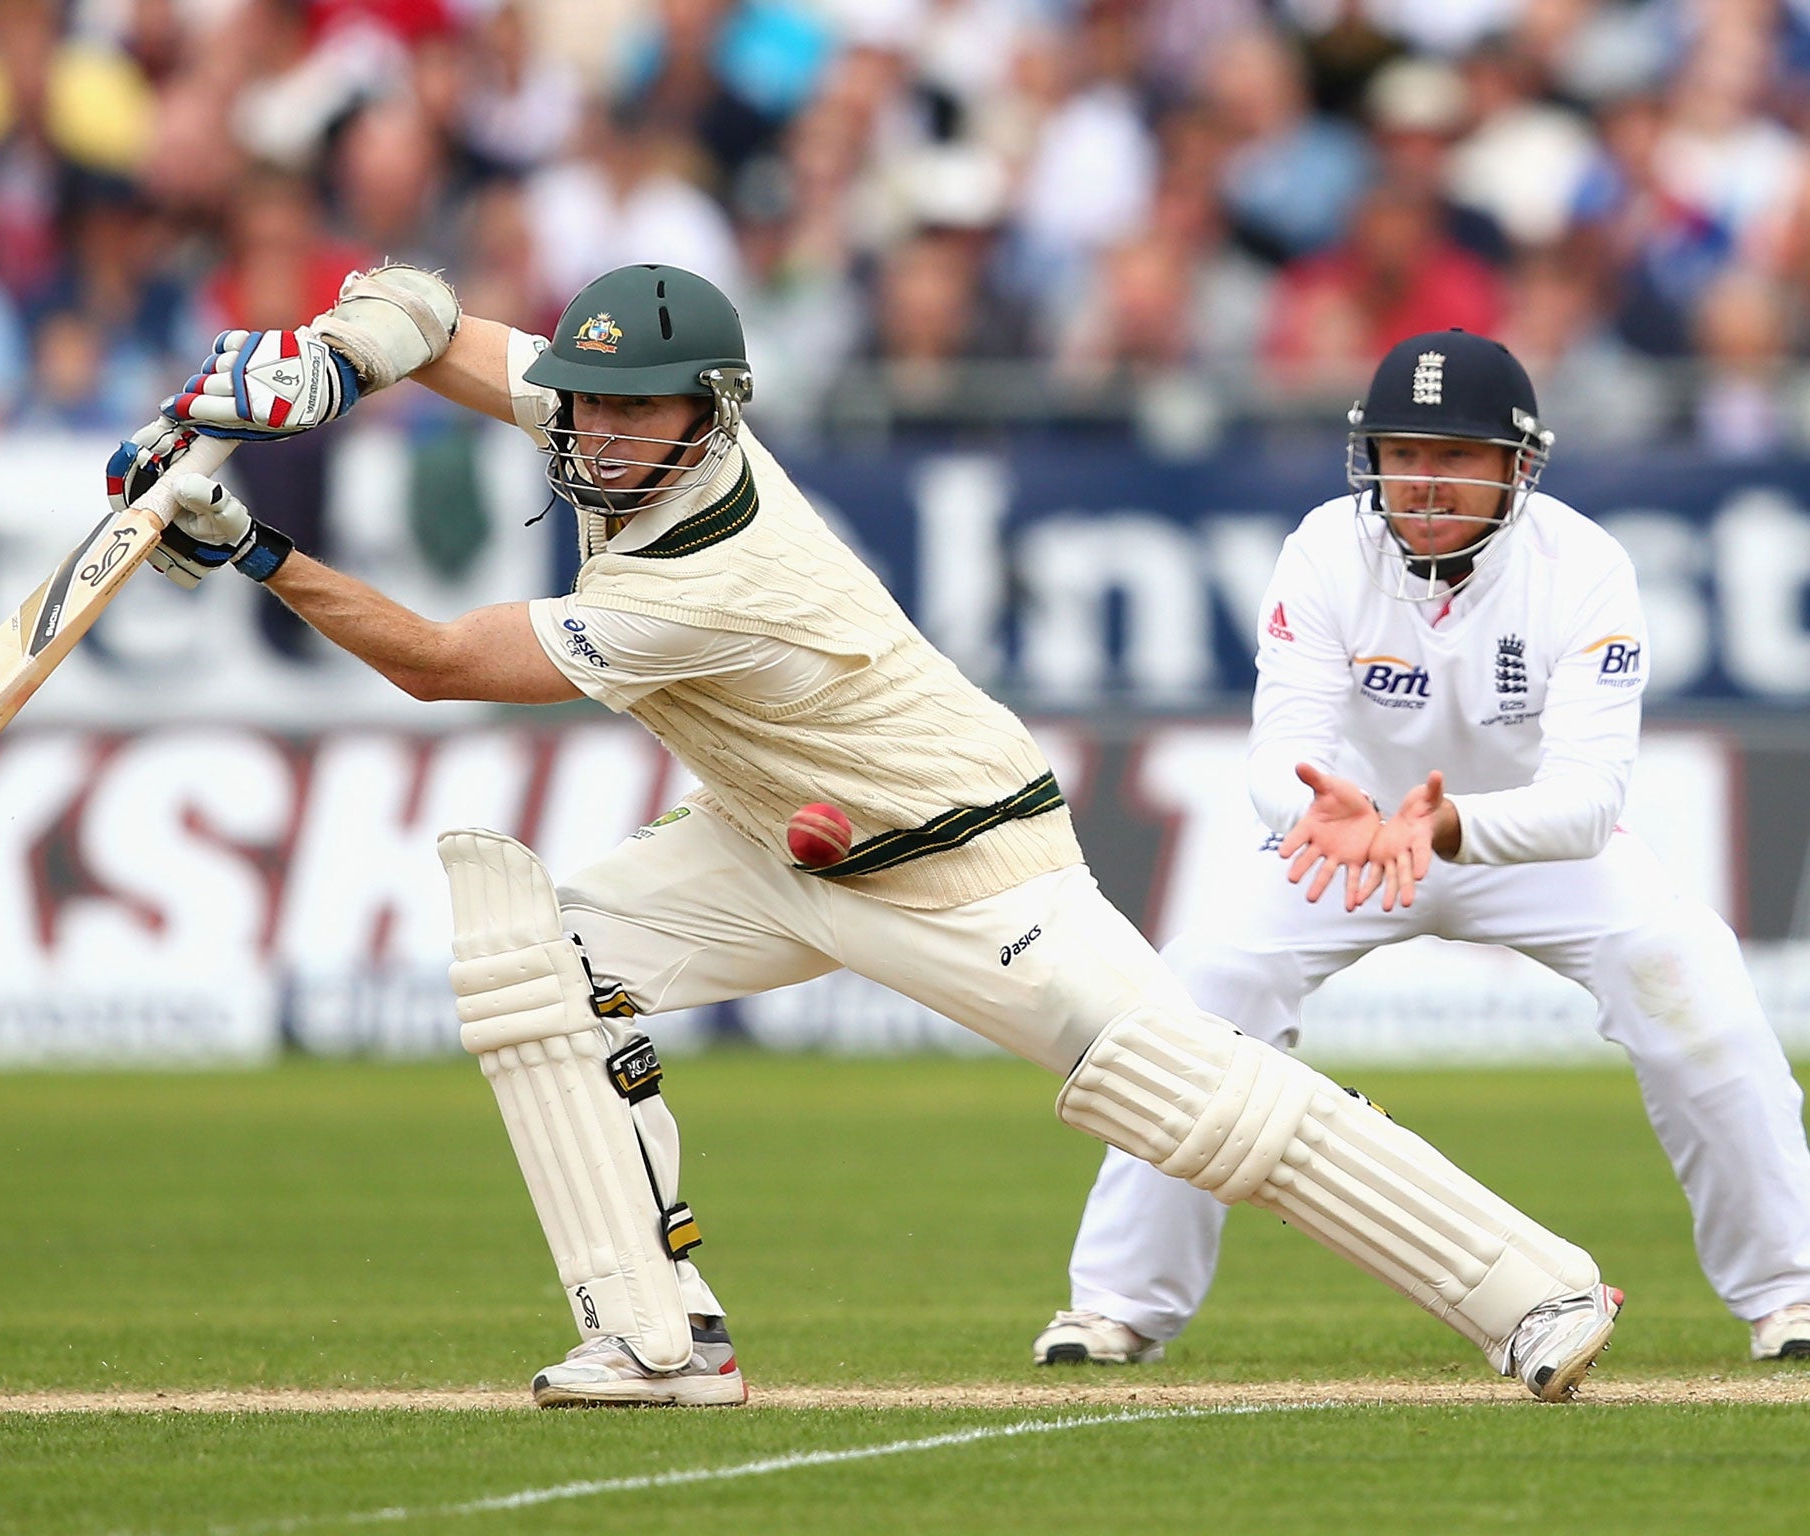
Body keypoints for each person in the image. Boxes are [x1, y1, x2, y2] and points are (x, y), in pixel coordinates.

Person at [109, 269, 1625, 1406]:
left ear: (713, 421)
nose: (609, 435)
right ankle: (652, 1335)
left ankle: (1530, 1287)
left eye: (647, 411)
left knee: (1186, 1099)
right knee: (538, 961)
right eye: (591, 403)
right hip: (777, 843)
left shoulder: (707, 565)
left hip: (971, 864)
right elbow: (427, 311)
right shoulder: (604, 417)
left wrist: (246, 542)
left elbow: (441, 663)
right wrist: (319, 360)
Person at [1033, 329, 1810, 1372]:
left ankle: (1789, 1294)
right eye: (1402, 452)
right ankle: (1114, 1308)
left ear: (1515, 466)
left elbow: (1583, 803)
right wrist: (1319, 811)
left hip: (1529, 844)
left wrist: (1446, 827)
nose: (1424, 480)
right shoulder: (1322, 547)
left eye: (1455, 455)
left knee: (1696, 990)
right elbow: (1280, 752)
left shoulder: (1582, 565)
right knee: (1197, 996)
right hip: (1351, 838)